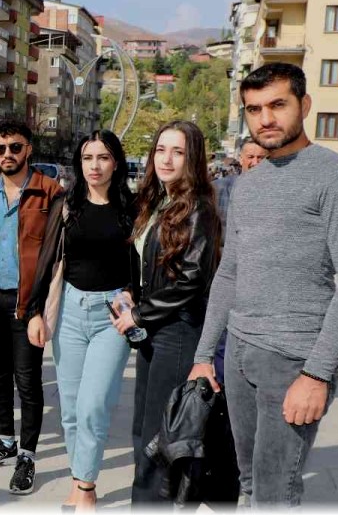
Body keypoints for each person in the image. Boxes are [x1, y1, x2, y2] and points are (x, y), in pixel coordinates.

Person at [188, 63, 338, 507]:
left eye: (277, 105)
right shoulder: (248, 185)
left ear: (304, 105)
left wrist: (316, 374)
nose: (266, 118)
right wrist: (203, 357)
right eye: (254, 109)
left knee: (276, 493)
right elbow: (229, 272)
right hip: (239, 353)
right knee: (250, 485)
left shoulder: (337, 177)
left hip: (293, 360)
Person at [28, 130, 140, 511]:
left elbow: (142, 262)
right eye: (88, 157)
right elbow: (46, 259)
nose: (95, 166)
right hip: (71, 312)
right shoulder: (66, 205)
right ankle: (79, 480)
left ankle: (86, 487)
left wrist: (134, 294)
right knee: (72, 409)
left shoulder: (132, 208)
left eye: (103, 157)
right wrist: (34, 312)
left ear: (116, 163)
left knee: (94, 405)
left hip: (112, 316)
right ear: (80, 162)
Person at [113, 120, 220, 505]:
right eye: (161, 149)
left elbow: (192, 280)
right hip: (153, 331)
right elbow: (147, 264)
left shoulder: (199, 209)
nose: (167, 159)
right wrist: (130, 295)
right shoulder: (157, 201)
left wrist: (140, 314)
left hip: (177, 333)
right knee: (143, 428)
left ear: (193, 158)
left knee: (160, 435)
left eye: (178, 152)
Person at [0, 120, 64, 495]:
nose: (7, 155)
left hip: (27, 303)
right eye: (0, 149)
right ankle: (5, 441)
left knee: (28, 380)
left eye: (15, 147)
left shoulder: (49, 192)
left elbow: (53, 256)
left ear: (29, 150)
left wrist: (38, 308)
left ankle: (27, 455)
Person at [210, 136, 268, 381]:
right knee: (222, 341)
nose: (255, 162)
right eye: (250, 157)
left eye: (261, 157)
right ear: (240, 158)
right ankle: (223, 387)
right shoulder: (218, 190)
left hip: (262, 283)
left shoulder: (279, 194)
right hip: (225, 277)